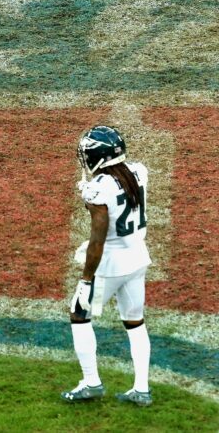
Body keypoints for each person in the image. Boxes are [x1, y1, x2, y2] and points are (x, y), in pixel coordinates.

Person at [62, 125, 153, 407]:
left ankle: (91, 382)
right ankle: (141, 389)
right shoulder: (138, 171)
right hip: (138, 256)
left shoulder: (97, 189)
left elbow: (97, 240)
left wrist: (86, 279)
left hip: (111, 264)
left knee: (79, 314)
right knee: (135, 322)